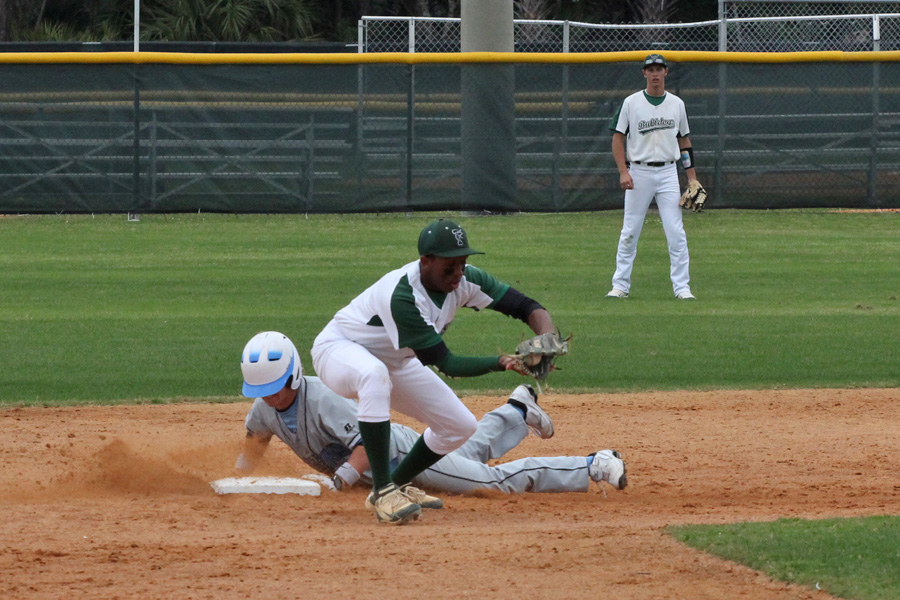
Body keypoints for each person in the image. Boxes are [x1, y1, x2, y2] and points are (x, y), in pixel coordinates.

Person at [310, 218, 567, 524]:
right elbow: (447, 364)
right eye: (450, 266)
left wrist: (547, 336)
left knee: (459, 425)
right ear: (426, 261)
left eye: (463, 263)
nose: (459, 273)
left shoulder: (466, 279)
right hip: (339, 351)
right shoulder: (403, 295)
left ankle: (399, 482)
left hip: (396, 359)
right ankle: (382, 491)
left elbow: (525, 306)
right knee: (372, 375)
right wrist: (502, 362)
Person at [237, 331, 627, 500]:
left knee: (488, 483)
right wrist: (237, 477)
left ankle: (591, 465)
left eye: (271, 388)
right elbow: (254, 443)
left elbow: (373, 442)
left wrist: (341, 481)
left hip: (403, 459)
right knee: (465, 455)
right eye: (260, 391)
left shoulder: (323, 400)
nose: (267, 398)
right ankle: (516, 411)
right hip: (396, 459)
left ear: (292, 375)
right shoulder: (264, 408)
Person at [607, 53, 703, 300]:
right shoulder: (631, 103)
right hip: (638, 171)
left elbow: (684, 141)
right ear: (644, 74)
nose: (655, 73)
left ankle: (682, 288)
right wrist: (623, 171)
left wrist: (691, 178)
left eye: (659, 69)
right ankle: (620, 286)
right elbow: (618, 138)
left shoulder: (677, 104)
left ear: (666, 72)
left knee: (676, 231)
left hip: (669, 172)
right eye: (650, 69)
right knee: (630, 230)